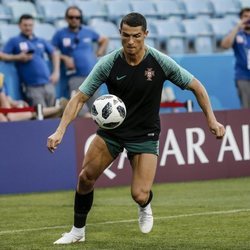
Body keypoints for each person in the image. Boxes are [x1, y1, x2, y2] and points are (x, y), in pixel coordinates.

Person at [47, 12, 225, 245]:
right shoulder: (109, 62)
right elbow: (79, 98)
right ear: (120, 34)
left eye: (137, 36)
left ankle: (145, 204)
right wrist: (60, 130)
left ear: (146, 35)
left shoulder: (160, 61)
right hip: (112, 132)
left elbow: (197, 87)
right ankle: (77, 232)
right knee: (85, 178)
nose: (131, 42)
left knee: (139, 194)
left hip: (145, 133)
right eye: (126, 36)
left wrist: (211, 120)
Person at [52, 6, 109, 117]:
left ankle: (97, 133)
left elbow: (104, 39)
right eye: (71, 17)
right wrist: (64, 58)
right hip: (75, 76)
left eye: (77, 17)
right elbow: (52, 51)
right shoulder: (60, 34)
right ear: (66, 18)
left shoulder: (87, 31)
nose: (74, 19)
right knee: (78, 107)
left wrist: (99, 52)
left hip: (92, 76)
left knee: (97, 107)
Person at [2, 14, 60, 107]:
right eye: (25, 25)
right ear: (19, 26)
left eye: (30, 25)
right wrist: (18, 57)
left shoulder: (40, 40)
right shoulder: (14, 41)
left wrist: (56, 72)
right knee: (41, 114)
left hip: (48, 83)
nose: (28, 28)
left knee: (53, 112)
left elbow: (54, 53)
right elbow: (1, 55)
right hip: (31, 86)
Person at [0, 72, 68, 122]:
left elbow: (8, 99)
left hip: (8, 112)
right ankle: (58, 110)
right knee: (8, 118)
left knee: (23, 108)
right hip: (5, 115)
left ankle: (58, 109)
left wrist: (17, 103)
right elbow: (6, 108)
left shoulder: (2, 80)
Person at [221, 7, 250, 108]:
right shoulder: (237, 34)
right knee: (246, 108)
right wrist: (237, 26)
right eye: (245, 16)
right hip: (243, 76)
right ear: (241, 18)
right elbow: (225, 45)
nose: (248, 19)